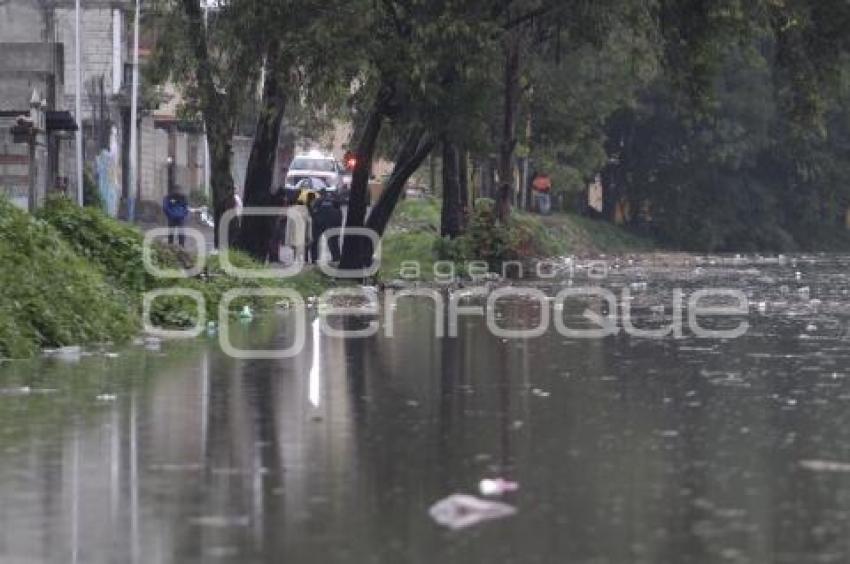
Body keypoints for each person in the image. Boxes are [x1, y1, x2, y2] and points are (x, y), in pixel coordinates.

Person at [310, 191, 344, 263]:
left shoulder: (318, 201)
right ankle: (336, 257)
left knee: (315, 241)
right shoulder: (334, 201)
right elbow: (339, 213)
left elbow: (313, 212)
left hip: (319, 223)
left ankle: (314, 258)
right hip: (333, 223)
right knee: (333, 241)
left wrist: (315, 219)